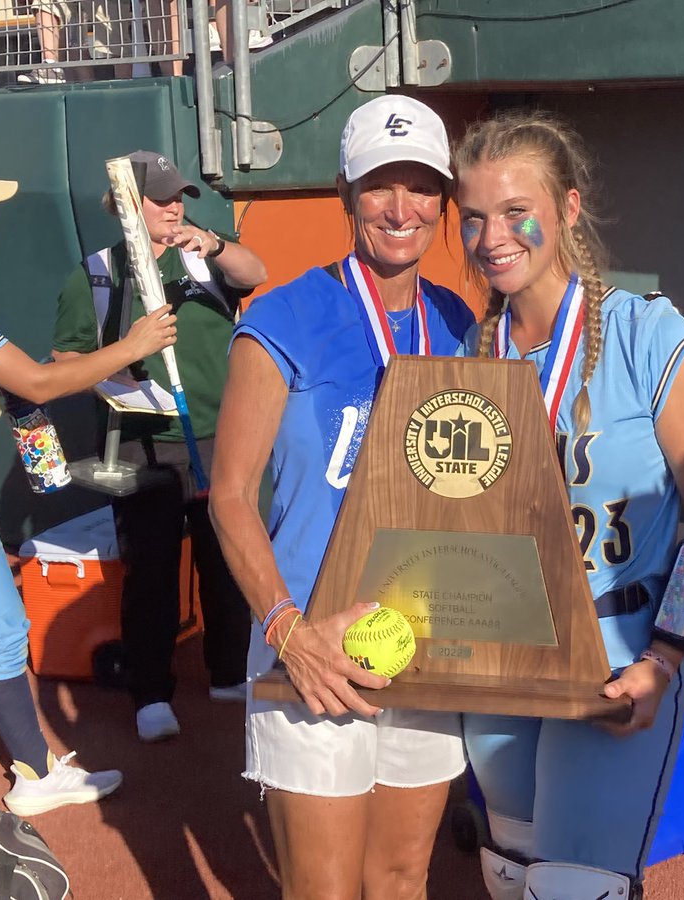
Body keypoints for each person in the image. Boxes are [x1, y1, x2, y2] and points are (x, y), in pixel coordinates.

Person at [455, 111, 684, 899]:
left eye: (517, 212)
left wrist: (665, 657)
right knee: (510, 878)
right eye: (474, 217)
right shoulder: (466, 357)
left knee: (574, 887)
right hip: (501, 664)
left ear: (569, 210)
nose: (492, 237)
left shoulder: (649, 336)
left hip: (615, 664)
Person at [208, 94, 474, 899]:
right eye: (379, 185)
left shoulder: (457, 322)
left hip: (425, 644)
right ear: (345, 192)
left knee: (399, 878)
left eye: (420, 187)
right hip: (313, 642)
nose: (402, 208)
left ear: (442, 201)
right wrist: (287, 632)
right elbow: (227, 496)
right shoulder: (283, 318)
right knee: (323, 891)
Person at [0, 150, 176, 814]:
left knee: (1, 629)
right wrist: (131, 346)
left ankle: (36, 775)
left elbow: (17, 378)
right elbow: (39, 382)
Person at [50, 150, 267, 742]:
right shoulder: (95, 273)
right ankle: (150, 692)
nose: (175, 207)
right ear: (126, 204)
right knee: (151, 571)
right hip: (146, 445)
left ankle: (228, 671)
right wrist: (118, 370)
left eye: (180, 197)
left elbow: (256, 273)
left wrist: (215, 246)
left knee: (226, 561)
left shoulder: (203, 253)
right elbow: (65, 361)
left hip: (224, 434)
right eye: (162, 198)